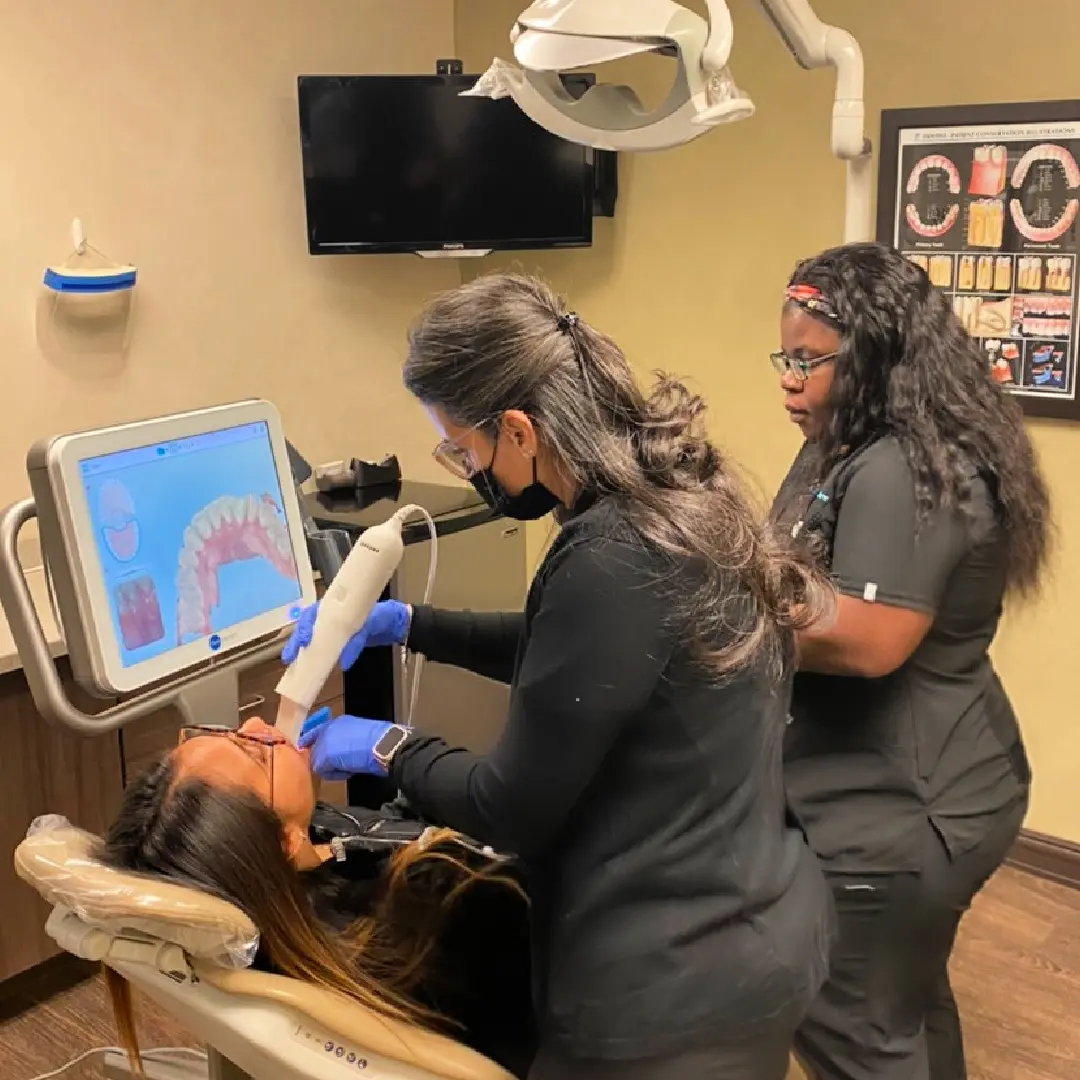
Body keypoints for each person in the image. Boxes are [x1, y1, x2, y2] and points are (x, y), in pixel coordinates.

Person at [287, 272, 835, 1080]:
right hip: (758, 916)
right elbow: (582, 663)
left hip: (672, 985)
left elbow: (510, 807)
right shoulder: (676, 498)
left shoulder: (614, 550)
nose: (466, 466)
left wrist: (386, 749)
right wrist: (410, 627)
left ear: (518, 429)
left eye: (461, 450)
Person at [769, 242, 1051, 1080]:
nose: (787, 379)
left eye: (808, 362)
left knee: (849, 1021)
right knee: (905, 1004)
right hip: (934, 780)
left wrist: (713, 621)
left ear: (875, 359)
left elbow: (867, 638)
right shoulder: (848, 439)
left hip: (905, 809)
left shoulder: (903, 465)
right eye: (784, 357)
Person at [100, 718, 537, 1078]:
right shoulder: (451, 900)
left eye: (229, 731)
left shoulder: (293, 870)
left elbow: (381, 835)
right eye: (254, 750)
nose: (257, 723)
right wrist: (408, 753)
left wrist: (413, 787)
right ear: (281, 843)